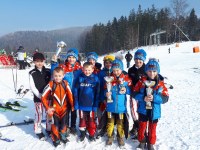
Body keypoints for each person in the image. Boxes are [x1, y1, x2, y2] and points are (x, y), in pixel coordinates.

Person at [133, 59, 169, 150]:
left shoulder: (161, 84)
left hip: (155, 112)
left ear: (157, 71)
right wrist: (143, 98)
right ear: (146, 71)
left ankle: (151, 143)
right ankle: (141, 141)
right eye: (149, 71)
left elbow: (166, 97)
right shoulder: (141, 82)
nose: (152, 73)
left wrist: (155, 98)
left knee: (152, 129)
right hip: (143, 110)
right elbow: (134, 93)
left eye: (154, 71)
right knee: (142, 127)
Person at [51, 48, 82, 135]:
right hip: (64, 94)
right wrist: (54, 63)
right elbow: (55, 72)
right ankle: (66, 126)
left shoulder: (79, 69)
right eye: (69, 57)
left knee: (74, 111)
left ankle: (73, 126)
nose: (71, 59)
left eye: (73, 57)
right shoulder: (63, 67)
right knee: (66, 111)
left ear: (76, 58)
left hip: (75, 94)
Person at [41, 67, 74, 147]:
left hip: (64, 109)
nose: (57, 78)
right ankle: (56, 139)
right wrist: (47, 108)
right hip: (54, 110)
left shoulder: (65, 83)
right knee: (54, 125)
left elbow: (70, 95)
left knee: (64, 124)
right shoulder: (51, 84)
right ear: (53, 76)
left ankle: (63, 136)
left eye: (59, 76)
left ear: (63, 75)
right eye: (56, 76)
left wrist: (72, 105)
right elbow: (43, 97)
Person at [105, 58, 132, 147]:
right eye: (114, 70)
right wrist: (106, 93)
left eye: (118, 70)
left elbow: (131, 90)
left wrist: (126, 89)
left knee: (121, 123)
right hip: (110, 106)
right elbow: (104, 90)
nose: (116, 72)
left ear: (121, 69)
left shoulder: (126, 79)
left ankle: (120, 137)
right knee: (110, 123)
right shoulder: (109, 78)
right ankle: (110, 136)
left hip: (121, 107)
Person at [74, 62, 100, 142]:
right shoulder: (80, 78)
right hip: (81, 105)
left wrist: (95, 105)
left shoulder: (95, 79)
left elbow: (97, 93)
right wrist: (76, 103)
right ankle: (82, 133)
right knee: (82, 120)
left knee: (91, 121)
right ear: (82, 69)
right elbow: (76, 91)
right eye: (85, 70)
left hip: (91, 105)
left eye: (89, 70)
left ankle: (91, 134)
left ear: (92, 70)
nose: (87, 72)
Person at [29, 52, 51, 140]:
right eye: (37, 61)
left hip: (48, 97)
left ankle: (49, 129)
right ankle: (38, 131)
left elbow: (52, 82)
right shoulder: (32, 73)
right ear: (34, 62)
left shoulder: (48, 71)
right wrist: (40, 95)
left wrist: (47, 94)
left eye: (41, 61)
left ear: (44, 61)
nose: (39, 63)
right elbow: (32, 86)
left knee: (49, 113)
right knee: (39, 114)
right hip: (38, 98)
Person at [128, 49, 147, 139]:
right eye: (136, 60)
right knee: (133, 111)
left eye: (140, 61)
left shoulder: (146, 69)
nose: (138, 62)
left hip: (143, 95)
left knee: (141, 112)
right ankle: (136, 125)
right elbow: (128, 80)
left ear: (143, 60)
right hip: (133, 94)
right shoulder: (131, 70)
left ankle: (140, 129)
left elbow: (154, 76)